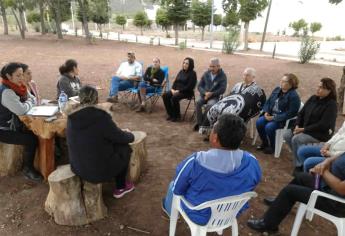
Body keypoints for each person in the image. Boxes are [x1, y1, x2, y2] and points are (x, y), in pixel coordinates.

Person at [162, 114, 262, 225]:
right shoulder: (252, 161)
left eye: (212, 129)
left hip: (199, 215)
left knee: (172, 185)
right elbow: (253, 184)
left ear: (215, 138)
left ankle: (169, 211)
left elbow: (177, 189)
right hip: (231, 213)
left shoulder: (195, 161)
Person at [247, 154, 345, 234]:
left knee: (289, 192)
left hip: (334, 202)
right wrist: (325, 163)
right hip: (327, 186)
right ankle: (279, 204)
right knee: (301, 177)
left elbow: (341, 188)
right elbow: (339, 155)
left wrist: (324, 172)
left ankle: (268, 225)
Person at [66, 85, 135, 198]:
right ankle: (121, 187)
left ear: (80, 99)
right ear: (96, 100)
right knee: (125, 148)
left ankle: (115, 179)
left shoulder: (71, 117)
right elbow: (122, 138)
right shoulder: (100, 117)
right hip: (97, 172)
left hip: (77, 167)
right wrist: (129, 134)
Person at [283, 78, 337, 173]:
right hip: (303, 128)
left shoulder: (331, 105)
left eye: (321, 88)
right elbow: (301, 113)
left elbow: (323, 125)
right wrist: (297, 125)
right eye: (318, 86)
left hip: (319, 133)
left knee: (297, 139)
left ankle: (299, 165)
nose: (318, 89)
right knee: (287, 135)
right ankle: (300, 158)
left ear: (329, 90)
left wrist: (303, 129)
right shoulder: (313, 98)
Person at [0, 62, 42, 181]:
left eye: (22, 75)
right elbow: (21, 110)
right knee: (31, 139)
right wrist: (28, 103)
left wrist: (27, 103)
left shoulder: (20, 87)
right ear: (9, 76)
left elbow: (33, 98)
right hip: (3, 130)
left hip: (15, 125)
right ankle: (27, 169)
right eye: (18, 76)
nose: (21, 78)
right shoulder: (7, 92)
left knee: (37, 132)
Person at [198, 68, 266, 138]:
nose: (245, 77)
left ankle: (227, 136)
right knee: (214, 108)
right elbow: (230, 96)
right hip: (230, 105)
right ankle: (213, 132)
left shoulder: (257, 90)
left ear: (253, 77)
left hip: (242, 109)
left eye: (248, 75)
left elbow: (255, 102)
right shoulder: (238, 85)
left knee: (231, 113)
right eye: (244, 75)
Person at [256, 73, 300, 154]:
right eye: (281, 80)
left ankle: (273, 147)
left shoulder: (294, 97)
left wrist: (274, 118)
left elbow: (291, 113)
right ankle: (265, 143)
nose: (281, 82)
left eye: (284, 81)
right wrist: (266, 111)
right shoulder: (277, 89)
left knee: (269, 127)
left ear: (291, 84)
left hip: (282, 120)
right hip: (270, 115)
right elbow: (268, 102)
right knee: (259, 122)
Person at [193, 58, 227, 131]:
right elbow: (199, 86)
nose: (211, 68)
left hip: (214, 97)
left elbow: (222, 89)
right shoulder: (206, 73)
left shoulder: (223, 76)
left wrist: (211, 94)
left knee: (210, 105)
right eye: (210, 66)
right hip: (204, 95)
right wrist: (205, 93)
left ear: (219, 66)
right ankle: (199, 123)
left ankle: (204, 124)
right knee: (197, 103)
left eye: (213, 67)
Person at [162, 57, 197, 122]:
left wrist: (179, 91)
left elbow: (190, 86)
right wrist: (172, 89)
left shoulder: (193, 73)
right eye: (184, 63)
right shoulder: (181, 71)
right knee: (165, 95)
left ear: (190, 65)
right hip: (176, 90)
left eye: (187, 63)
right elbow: (176, 81)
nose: (184, 65)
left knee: (174, 97)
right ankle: (171, 114)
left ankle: (177, 116)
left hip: (186, 92)